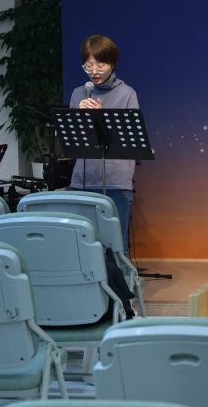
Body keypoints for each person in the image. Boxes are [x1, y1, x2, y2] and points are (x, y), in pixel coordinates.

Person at [69, 34, 139, 256]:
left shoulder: (127, 94)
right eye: (88, 66)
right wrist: (79, 118)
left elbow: (131, 141)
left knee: (117, 245)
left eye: (101, 65)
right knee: (82, 245)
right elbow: (72, 141)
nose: (94, 71)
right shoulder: (78, 94)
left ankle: (123, 280)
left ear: (112, 64)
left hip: (116, 180)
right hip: (83, 180)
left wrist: (102, 117)